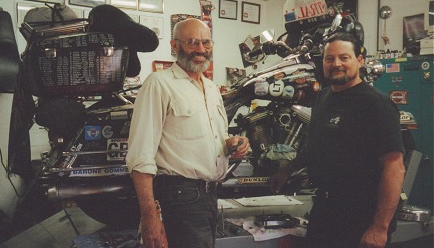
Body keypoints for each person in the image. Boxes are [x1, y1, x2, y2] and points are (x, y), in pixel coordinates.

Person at [270, 31, 405, 248]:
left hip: (360, 216)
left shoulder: (376, 105)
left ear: (359, 61)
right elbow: (316, 146)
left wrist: (380, 227)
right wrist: (286, 170)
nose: (336, 64)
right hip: (326, 208)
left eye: (344, 57)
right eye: (329, 59)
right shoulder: (324, 97)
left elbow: (394, 168)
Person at [126, 18, 249, 248]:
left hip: (210, 196)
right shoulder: (159, 84)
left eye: (206, 43)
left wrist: (233, 143)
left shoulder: (212, 89)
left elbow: (216, 139)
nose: (201, 50)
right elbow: (140, 156)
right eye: (192, 43)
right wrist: (149, 216)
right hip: (180, 196)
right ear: (175, 46)